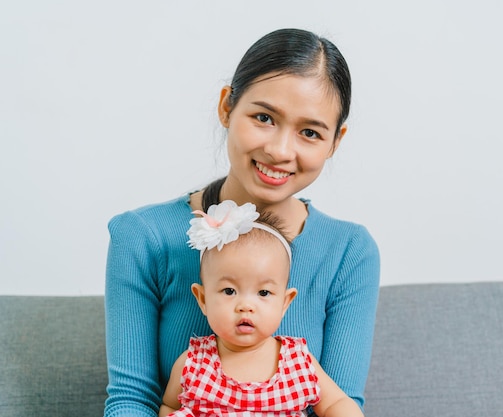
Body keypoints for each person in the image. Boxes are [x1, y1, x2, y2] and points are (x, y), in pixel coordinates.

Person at [105, 28, 380, 417]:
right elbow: (131, 401)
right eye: (264, 117)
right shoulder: (142, 237)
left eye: (310, 132)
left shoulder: (350, 252)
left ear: (335, 142)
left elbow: (341, 403)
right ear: (226, 108)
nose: (281, 150)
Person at [158, 200, 364, 417]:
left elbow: (336, 402)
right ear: (203, 299)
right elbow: (170, 406)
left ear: (285, 303)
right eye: (229, 291)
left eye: (263, 293)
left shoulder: (298, 361)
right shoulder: (193, 363)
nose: (246, 306)